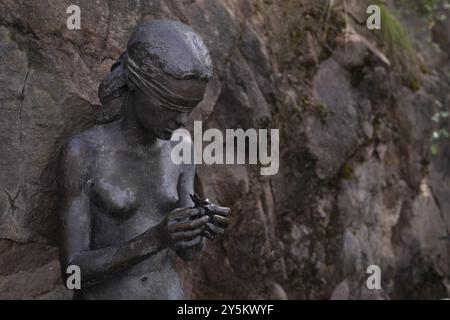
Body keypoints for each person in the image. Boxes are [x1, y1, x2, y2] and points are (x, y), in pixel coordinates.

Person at [57, 19, 230, 300]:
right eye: (172, 106)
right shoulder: (83, 153)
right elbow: (72, 273)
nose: (183, 120)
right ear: (137, 84)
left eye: (189, 108)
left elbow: (189, 253)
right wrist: (155, 239)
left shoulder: (182, 147)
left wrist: (201, 225)